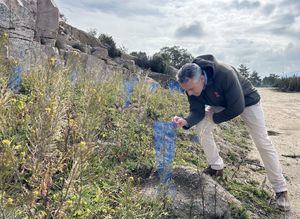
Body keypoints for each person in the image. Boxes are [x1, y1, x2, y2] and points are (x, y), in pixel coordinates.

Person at [172, 54, 290, 211]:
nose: (190, 93)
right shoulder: (190, 84)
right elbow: (196, 110)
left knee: (262, 141)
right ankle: (216, 166)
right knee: (201, 128)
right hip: (220, 102)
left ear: (201, 78)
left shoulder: (225, 73)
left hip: (247, 101)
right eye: (187, 91)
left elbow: (237, 107)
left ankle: (281, 189)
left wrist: (215, 117)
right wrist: (186, 121)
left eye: (192, 89)